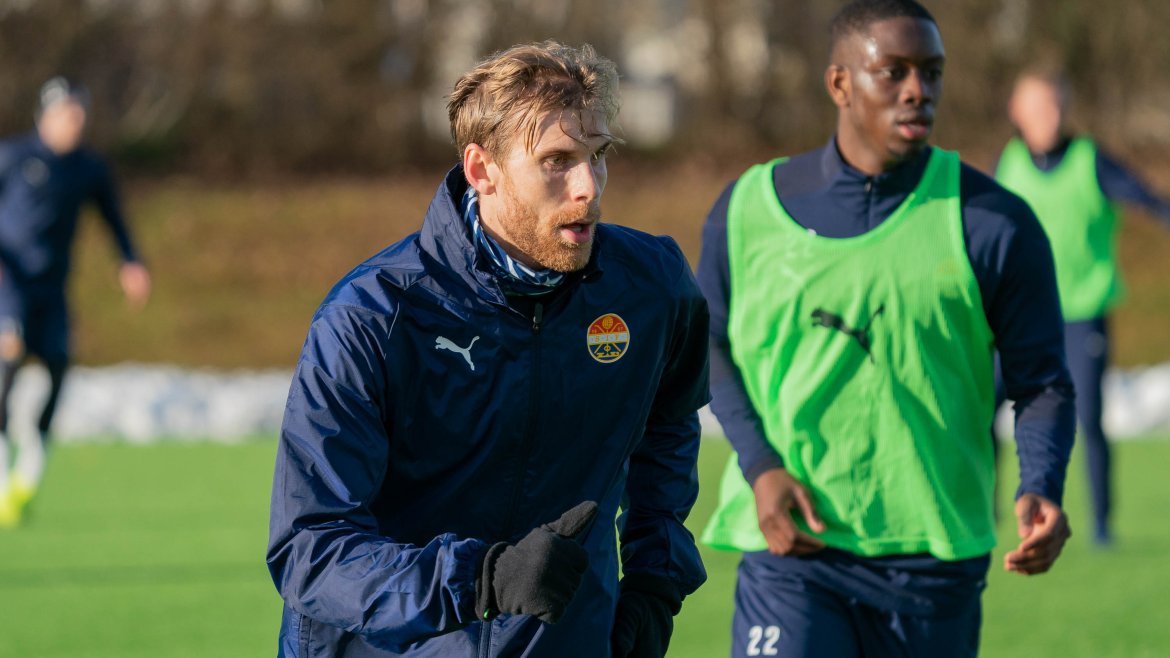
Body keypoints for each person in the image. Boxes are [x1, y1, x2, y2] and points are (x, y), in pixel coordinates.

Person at [266, 41, 709, 658]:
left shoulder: (651, 289)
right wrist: (481, 580)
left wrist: (654, 582)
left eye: (598, 156)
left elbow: (669, 422)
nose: (588, 187)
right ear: (481, 169)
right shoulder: (372, 316)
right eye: (556, 161)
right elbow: (310, 549)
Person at [697, 1, 1076, 656]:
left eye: (932, 72)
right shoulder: (746, 210)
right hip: (794, 552)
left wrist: (1040, 482)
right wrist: (760, 467)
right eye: (893, 71)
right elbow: (709, 345)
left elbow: (1041, 381)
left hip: (935, 561)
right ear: (839, 83)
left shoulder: (994, 223)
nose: (917, 90)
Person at [995, 68, 1170, 546]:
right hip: (1016, 315)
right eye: (1036, 107)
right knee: (981, 406)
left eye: (1054, 106)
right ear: (1016, 112)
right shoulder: (1006, 165)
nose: (1047, 117)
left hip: (1080, 312)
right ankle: (985, 511)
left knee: (1089, 417)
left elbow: (1148, 200)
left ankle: (1101, 526)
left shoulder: (1090, 161)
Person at [0, 77, 151, 528]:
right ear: (47, 114)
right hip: (10, 283)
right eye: (68, 112)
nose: (76, 121)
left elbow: (113, 216)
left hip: (54, 289)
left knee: (58, 368)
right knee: (7, 365)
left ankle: (29, 470)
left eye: (80, 112)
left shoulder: (88, 168)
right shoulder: (13, 156)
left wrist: (130, 261)